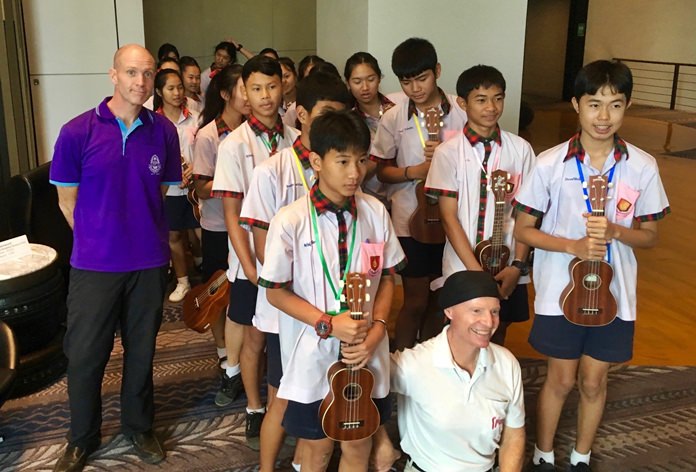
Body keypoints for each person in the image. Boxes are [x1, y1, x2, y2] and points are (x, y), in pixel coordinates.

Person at [513, 60, 671, 471]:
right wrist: (572, 245)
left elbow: (651, 235)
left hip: (614, 296)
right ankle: (544, 453)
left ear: (627, 106)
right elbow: (524, 229)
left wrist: (617, 233)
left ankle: (581, 456)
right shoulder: (549, 163)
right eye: (594, 104)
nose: (604, 116)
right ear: (575, 105)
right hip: (557, 292)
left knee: (594, 381)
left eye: (615, 105)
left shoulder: (642, 165)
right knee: (561, 379)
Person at [49, 44, 181, 472]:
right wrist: (99, 237)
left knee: (141, 351)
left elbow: (157, 193)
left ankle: (139, 425)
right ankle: (81, 437)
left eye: (147, 75)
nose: (140, 83)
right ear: (113, 75)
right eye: (131, 73)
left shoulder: (164, 131)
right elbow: (67, 202)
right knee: (85, 355)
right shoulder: (76, 131)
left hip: (147, 262)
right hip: (94, 266)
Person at [259, 110, 406, 471]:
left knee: (359, 445)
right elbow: (275, 292)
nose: (354, 172)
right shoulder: (290, 220)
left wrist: (379, 329)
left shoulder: (374, 212)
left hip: (366, 352)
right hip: (313, 351)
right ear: (316, 162)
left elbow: (387, 277)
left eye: (360, 160)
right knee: (317, 449)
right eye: (342, 161)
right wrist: (327, 323)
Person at [239, 71, 351, 471]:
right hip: (289, 307)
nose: (333, 127)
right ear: (302, 114)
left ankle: (308, 461)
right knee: (283, 396)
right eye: (324, 116)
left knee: (324, 390)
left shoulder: (346, 170)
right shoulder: (273, 170)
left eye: (341, 117)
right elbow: (261, 244)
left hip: (330, 307)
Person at [211, 55, 299, 437]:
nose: (265, 96)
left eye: (272, 86)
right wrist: (248, 266)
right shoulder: (234, 144)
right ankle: (254, 406)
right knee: (255, 336)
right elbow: (232, 213)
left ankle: (289, 401)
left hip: (293, 259)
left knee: (289, 335)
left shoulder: (296, 139)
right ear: (244, 91)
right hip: (251, 261)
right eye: (256, 88)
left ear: (284, 87)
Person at [424, 65, 535, 345]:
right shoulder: (448, 152)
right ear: (463, 103)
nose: (491, 107)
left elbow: (526, 213)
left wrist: (518, 265)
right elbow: (449, 218)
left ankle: (493, 384)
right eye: (481, 99)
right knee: (462, 331)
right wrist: (476, 274)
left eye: (498, 98)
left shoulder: (521, 149)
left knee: (500, 328)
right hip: (463, 265)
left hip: (508, 264)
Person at [372, 37, 467, 351]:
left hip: (452, 220)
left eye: (422, 78)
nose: (415, 88)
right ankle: (401, 359)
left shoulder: (462, 111)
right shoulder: (394, 117)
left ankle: (428, 358)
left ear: (437, 71)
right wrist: (414, 172)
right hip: (408, 220)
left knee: (441, 300)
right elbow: (381, 170)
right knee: (414, 299)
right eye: (406, 82)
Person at [391, 270, 526, 471]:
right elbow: (363, 388)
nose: (489, 322)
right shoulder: (414, 364)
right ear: (449, 312)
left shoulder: (506, 363)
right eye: (476, 311)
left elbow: (514, 435)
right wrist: (380, 442)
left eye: (494, 311)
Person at [192, 64, 250, 372]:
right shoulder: (209, 135)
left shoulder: (256, 131)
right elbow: (201, 187)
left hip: (249, 226)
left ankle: (247, 352)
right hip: (217, 226)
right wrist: (236, 182)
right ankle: (223, 352)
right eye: (244, 89)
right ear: (226, 94)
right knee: (218, 294)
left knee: (244, 293)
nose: (250, 96)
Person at [153, 68, 201, 303]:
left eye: (179, 87)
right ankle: (183, 281)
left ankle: (209, 273)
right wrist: (171, 174)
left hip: (196, 185)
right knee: (174, 236)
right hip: (170, 189)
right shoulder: (154, 123)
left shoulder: (195, 117)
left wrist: (195, 169)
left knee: (203, 231)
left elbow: (205, 149)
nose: (177, 92)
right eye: (171, 88)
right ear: (159, 91)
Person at [344, 51, 399, 207]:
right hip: (368, 199)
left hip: (403, 195)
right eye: (357, 81)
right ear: (348, 83)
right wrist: (378, 156)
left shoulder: (397, 111)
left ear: (379, 78)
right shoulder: (348, 120)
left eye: (371, 79)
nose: (365, 87)